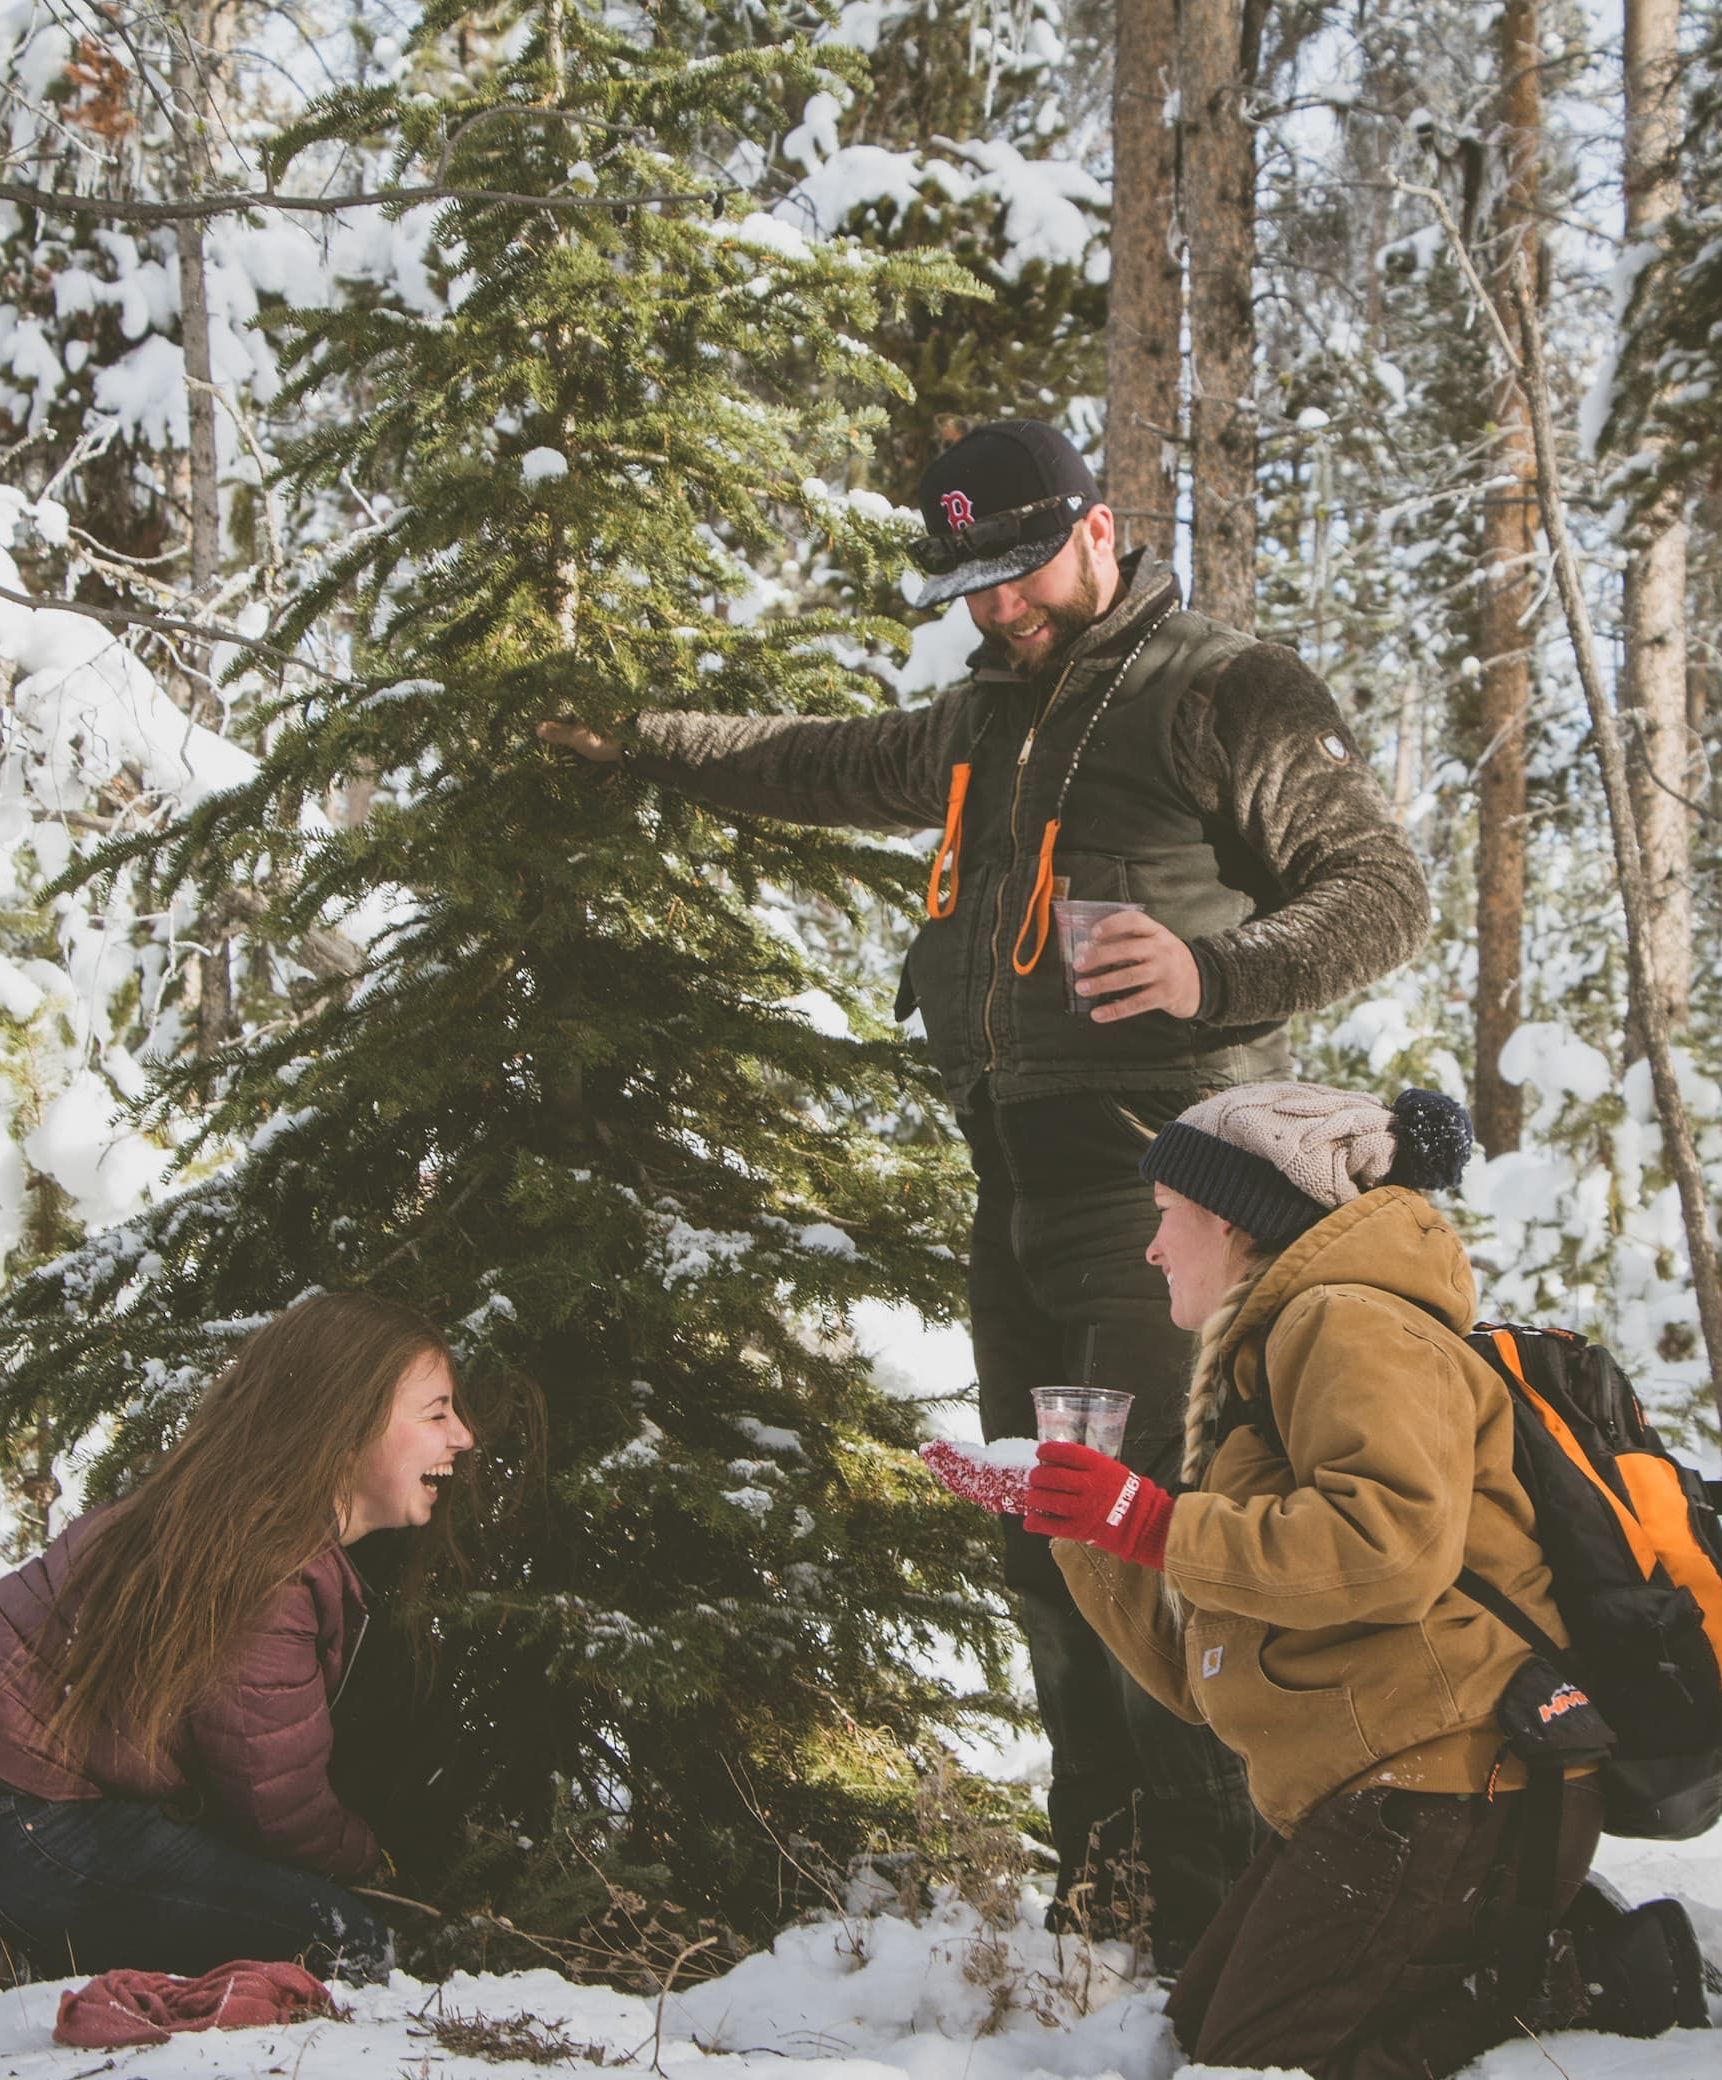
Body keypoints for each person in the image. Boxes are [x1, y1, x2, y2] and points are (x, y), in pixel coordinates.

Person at [540, 418, 1430, 1969]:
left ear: (1095, 529)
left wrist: (1211, 969)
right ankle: (1105, 1903)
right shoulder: (976, 721)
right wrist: (634, 737)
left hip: (1178, 1190)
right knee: (1047, 1538)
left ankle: (1218, 1932)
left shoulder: (1223, 688)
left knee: (1157, 1538)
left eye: (1018, 569)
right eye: (967, 580)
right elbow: (812, 761)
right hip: (1015, 1185)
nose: (996, 604)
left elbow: (1382, 891)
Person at [1022, 1082, 1604, 2080]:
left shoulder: (1349, 1323)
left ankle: (1586, 1978)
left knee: (1260, 2074)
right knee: (1197, 2038)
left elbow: (1393, 1548)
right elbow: (1202, 1679)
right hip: (1383, 1794)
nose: (1152, 1249)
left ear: (1233, 1219)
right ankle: (1500, 1945)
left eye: (1166, 1214)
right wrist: (1087, 1534)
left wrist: (1150, 1522)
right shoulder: (1272, 1358)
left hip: (1457, 1781)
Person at [0, 1292, 474, 1993]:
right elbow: (274, 1805)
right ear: (344, 1421)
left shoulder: (202, 1509)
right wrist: (375, 1866)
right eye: (436, 1413)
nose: (463, 1437)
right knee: (346, 1940)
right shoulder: (268, 1561)